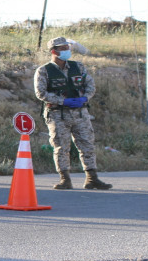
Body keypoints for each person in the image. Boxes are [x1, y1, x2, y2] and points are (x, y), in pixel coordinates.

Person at [34, 36, 112, 190]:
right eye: (62, 48)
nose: (66, 50)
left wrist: (84, 98)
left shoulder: (78, 67)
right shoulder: (44, 71)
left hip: (80, 113)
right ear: (53, 51)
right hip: (58, 114)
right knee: (61, 147)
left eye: (67, 47)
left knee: (87, 145)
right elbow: (40, 93)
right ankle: (65, 179)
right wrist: (63, 101)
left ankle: (92, 178)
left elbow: (90, 85)